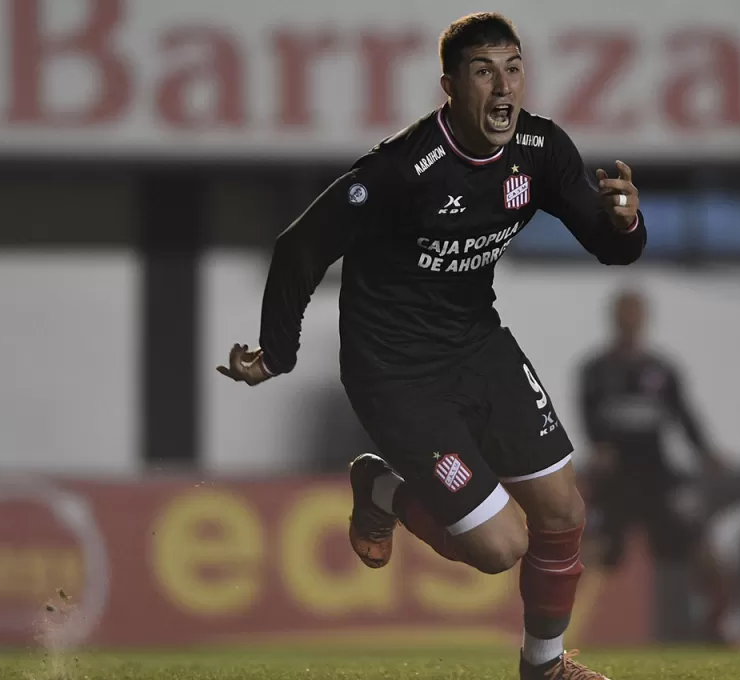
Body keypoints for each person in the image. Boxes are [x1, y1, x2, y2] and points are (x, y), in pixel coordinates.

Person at [218, 12, 645, 680]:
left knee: (565, 510)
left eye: (513, 67)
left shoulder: (540, 151)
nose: (503, 86)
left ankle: (545, 668)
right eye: (483, 71)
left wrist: (626, 224)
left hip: (479, 346)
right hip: (395, 373)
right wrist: (276, 351)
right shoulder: (401, 169)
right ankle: (379, 487)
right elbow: (301, 245)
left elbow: (607, 243)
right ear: (449, 85)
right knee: (500, 547)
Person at [577, 289, 737, 644]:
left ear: (644, 318)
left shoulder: (662, 370)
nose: (629, 319)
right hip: (615, 478)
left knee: (704, 551)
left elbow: (684, 416)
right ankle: (551, 631)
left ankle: (719, 625)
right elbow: (587, 419)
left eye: (635, 312)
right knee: (591, 550)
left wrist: (707, 452)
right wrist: (598, 450)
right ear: (613, 317)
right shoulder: (595, 370)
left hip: (656, 475)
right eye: (623, 312)